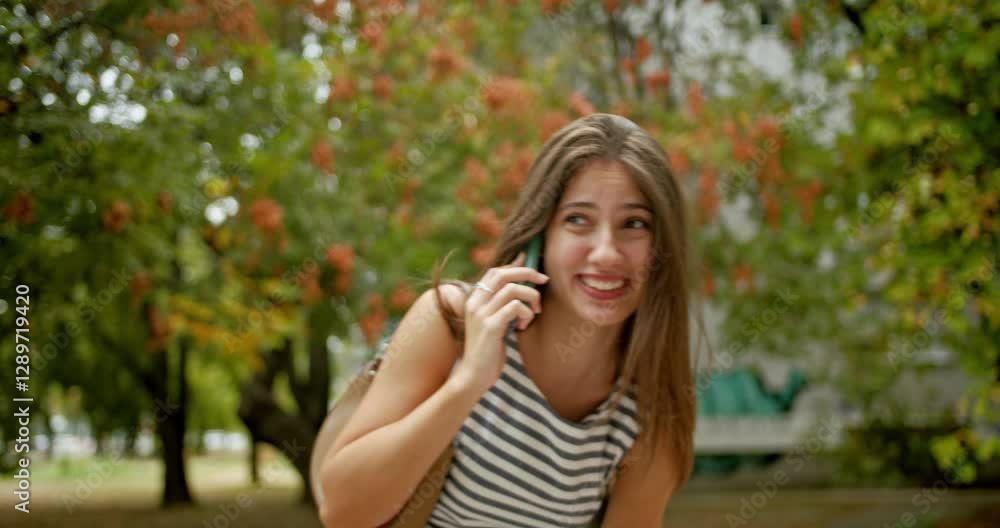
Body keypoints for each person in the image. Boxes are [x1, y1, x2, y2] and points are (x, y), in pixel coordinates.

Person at [319, 113, 701, 527]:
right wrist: (467, 383)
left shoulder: (648, 412)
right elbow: (343, 512)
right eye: (577, 219)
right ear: (542, 235)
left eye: (634, 224)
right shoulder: (450, 324)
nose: (606, 252)